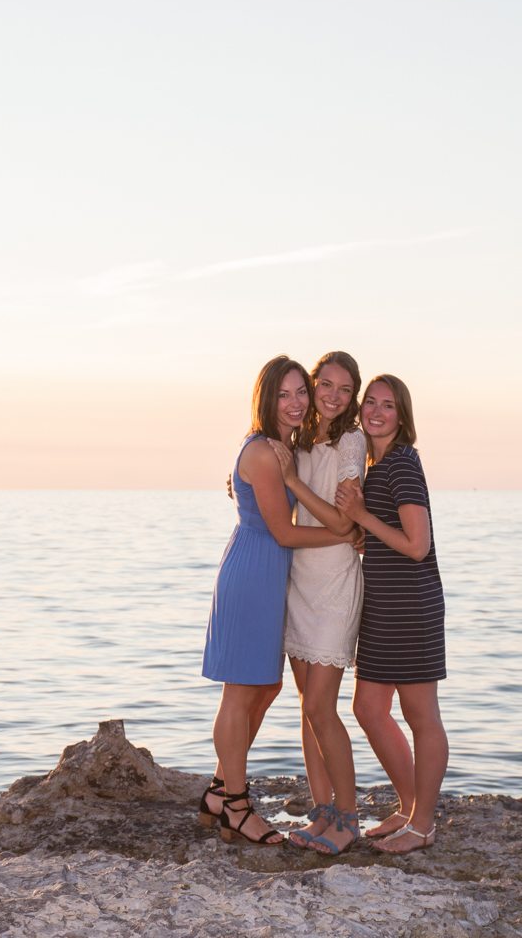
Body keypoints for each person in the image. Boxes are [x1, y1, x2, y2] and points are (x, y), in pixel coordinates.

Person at [200, 355, 353, 845]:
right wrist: (343, 537)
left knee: (264, 690)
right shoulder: (267, 452)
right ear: (266, 399)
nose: (295, 403)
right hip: (254, 574)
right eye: (283, 395)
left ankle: (221, 790)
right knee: (241, 692)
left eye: (299, 393)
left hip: (270, 576)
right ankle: (236, 807)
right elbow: (284, 533)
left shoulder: (285, 447)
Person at [335, 374, 447, 853]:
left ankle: (422, 826)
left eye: (388, 405)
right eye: (371, 403)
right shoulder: (376, 466)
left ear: (402, 416)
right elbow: (387, 536)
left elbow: (417, 546)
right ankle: (407, 805)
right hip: (383, 605)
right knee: (368, 708)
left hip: (412, 605)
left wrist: (361, 518)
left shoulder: (400, 464)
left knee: (421, 715)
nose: (377, 412)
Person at [267, 351, 367, 855]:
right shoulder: (298, 438)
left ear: (352, 398)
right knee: (307, 709)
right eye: (323, 384)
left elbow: (342, 523)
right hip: (298, 580)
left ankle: (349, 818)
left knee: (324, 707)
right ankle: (323, 811)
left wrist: (291, 483)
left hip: (333, 584)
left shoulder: (352, 441)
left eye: (343, 390)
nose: (331, 396)